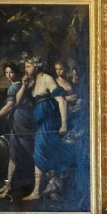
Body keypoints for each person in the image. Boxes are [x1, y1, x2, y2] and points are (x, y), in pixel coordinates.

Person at [0, 62, 38, 197]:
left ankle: (41, 184)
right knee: (13, 153)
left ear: (17, 73)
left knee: (30, 151)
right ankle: (8, 186)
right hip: (18, 121)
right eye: (6, 73)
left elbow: (9, 107)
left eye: (11, 72)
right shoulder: (17, 85)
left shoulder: (15, 87)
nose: (8, 75)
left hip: (22, 121)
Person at [24, 60, 73, 202]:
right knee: (42, 154)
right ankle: (42, 189)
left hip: (49, 123)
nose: (26, 69)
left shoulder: (47, 78)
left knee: (40, 154)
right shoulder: (33, 82)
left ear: (36, 66)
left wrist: (63, 124)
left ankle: (37, 191)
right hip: (40, 125)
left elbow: (61, 101)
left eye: (28, 66)